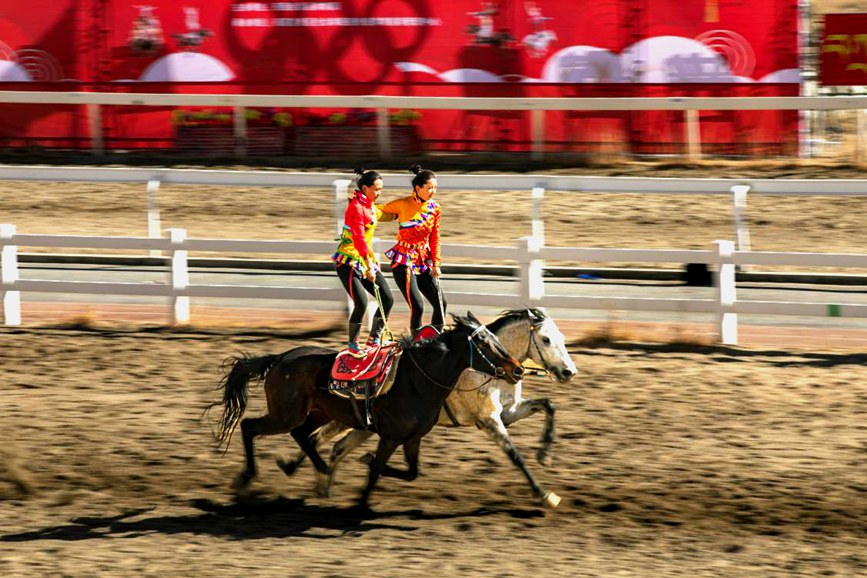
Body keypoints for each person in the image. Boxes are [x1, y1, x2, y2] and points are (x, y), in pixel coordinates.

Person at [332, 168, 395, 357]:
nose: (379, 193)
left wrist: (406, 213)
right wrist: (368, 266)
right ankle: (353, 344)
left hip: (366, 260)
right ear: (365, 188)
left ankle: (374, 338)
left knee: (387, 299)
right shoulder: (356, 208)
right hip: (349, 261)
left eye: (381, 190)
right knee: (361, 303)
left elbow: (386, 214)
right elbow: (359, 239)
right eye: (376, 189)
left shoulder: (370, 206)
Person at [378, 164, 447, 336]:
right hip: (404, 261)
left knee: (441, 303)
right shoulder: (402, 204)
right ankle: (415, 343)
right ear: (418, 188)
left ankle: (434, 339)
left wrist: (436, 263)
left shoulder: (435, 209)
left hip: (423, 261)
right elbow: (378, 210)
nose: (433, 191)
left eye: (435, 188)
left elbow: (435, 237)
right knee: (417, 306)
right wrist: (360, 205)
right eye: (429, 188)